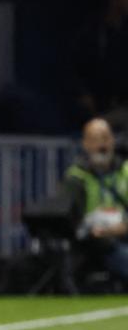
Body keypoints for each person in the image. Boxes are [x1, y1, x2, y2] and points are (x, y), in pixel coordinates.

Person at [63, 118, 128, 281]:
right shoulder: (76, 177)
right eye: (95, 140)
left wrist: (123, 227)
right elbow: (70, 220)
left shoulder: (125, 171)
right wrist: (96, 230)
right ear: (85, 144)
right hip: (98, 243)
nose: (101, 146)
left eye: (105, 138)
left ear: (113, 140)